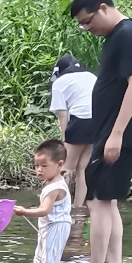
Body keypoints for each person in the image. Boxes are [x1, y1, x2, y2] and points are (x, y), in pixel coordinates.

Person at [68, 0, 132, 263]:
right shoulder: (122, 34)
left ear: (103, 7)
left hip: (117, 134)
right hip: (109, 132)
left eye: (88, 21)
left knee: (97, 202)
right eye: (81, 24)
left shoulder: (126, 33)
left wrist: (116, 134)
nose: (86, 28)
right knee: (107, 201)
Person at [49, 51, 96, 248]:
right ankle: (78, 210)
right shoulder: (91, 76)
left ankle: (59, 205)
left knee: (66, 168)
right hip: (98, 122)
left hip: (79, 121)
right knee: (82, 168)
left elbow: (62, 115)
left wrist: (65, 139)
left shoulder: (60, 83)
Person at [15, 137, 72, 263]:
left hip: (56, 227)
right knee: (40, 261)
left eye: (44, 166)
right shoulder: (52, 182)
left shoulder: (55, 187)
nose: (39, 170)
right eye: (36, 165)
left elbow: (45, 210)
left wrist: (25, 212)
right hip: (48, 226)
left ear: (59, 165)